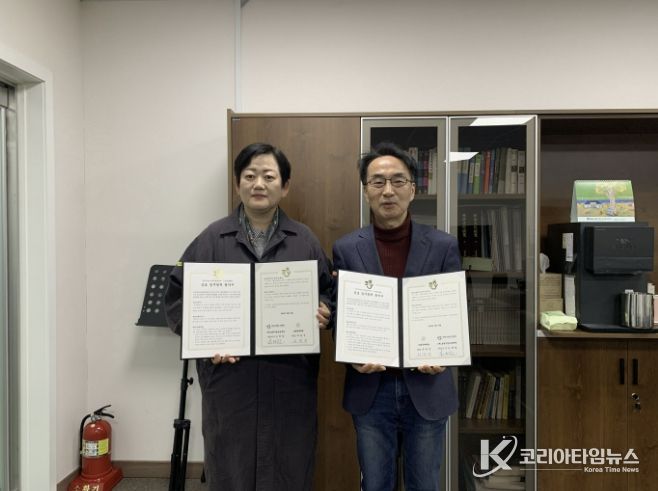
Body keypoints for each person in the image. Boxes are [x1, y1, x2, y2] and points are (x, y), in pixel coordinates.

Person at [165, 142, 333, 491]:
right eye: (250, 175)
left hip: (289, 378)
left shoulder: (304, 240)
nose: (259, 184)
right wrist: (204, 340)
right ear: (237, 183)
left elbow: (329, 291)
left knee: (290, 464)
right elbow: (177, 297)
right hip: (230, 380)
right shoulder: (211, 239)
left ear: (284, 186)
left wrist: (325, 310)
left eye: (269, 176)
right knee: (231, 465)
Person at [332, 142, 461, 491]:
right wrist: (351, 355)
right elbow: (342, 315)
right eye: (377, 182)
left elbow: (452, 312)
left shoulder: (443, 245)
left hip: (427, 386)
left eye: (398, 181)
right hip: (372, 390)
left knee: (425, 484)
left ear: (413, 190)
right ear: (366, 191)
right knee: (375, 484)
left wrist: (444, 355)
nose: (388, 191)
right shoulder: (346, 248)